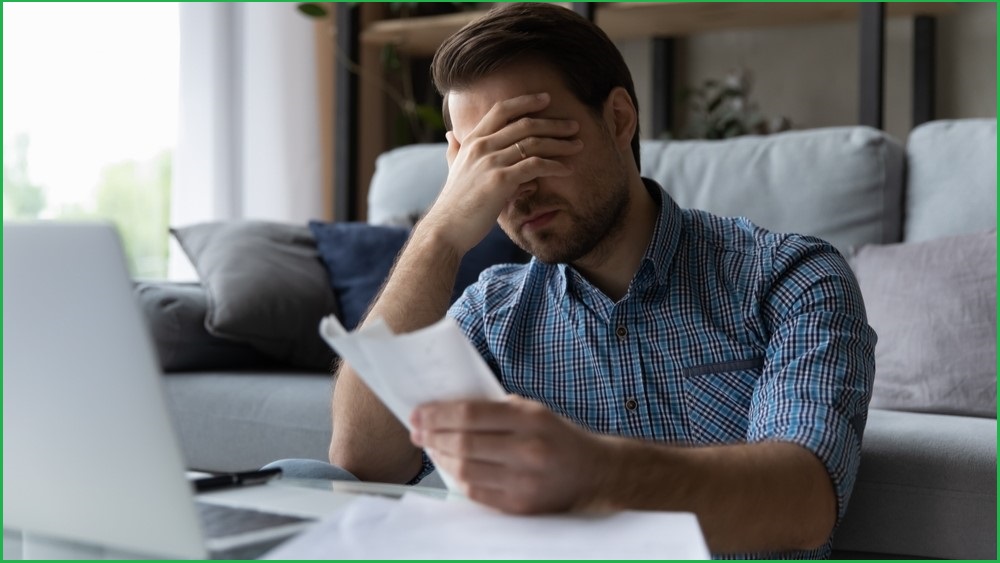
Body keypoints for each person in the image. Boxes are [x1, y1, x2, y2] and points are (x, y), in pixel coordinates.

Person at [313, 3, 874, 558]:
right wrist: (439, 231)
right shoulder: (492, 314)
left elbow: (804, 501)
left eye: (527, 144)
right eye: (484, 162)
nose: (514, 189)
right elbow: (363, 461)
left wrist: (596, 472)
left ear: (619, 119)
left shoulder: (788, 279)